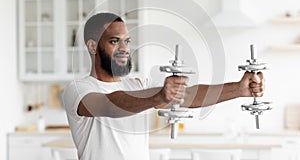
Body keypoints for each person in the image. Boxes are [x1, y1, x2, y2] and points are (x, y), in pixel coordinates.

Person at [60, 12, 265, 160]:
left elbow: (189, 95)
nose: (125, 49)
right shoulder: (78, 89)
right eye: (115, 41)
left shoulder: (138, 84)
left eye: (127, 41)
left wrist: (239, 89)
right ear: (93, 46)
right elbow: (108, 105)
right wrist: (159, 96)